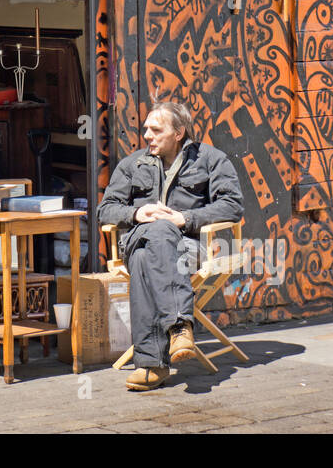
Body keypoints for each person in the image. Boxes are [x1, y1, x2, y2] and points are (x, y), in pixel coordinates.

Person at [97, 101, 244, 391]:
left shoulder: (211, 160)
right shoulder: (132, 164)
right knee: (155, 233)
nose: (147, 135)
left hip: (186, 248)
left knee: (145, 256)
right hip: (139, 238)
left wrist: (185, 218)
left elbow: (232, 205)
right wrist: (137, 214)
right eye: (146, 129)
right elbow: (105, 210)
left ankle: (152, 364)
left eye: (156, 129)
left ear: (179, 133)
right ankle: (179, 327)